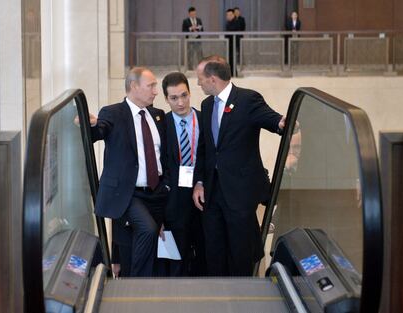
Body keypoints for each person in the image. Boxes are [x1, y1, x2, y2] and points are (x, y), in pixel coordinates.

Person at [192, 55, 285, 276]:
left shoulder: (247, 99)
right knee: (214, 250)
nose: (198, 84)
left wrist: (283, 122)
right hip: (212, 193)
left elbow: (273, 120)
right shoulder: (206, 105)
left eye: (200, 79)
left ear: (213, 79)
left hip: (239, 193)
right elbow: (204, 149)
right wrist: (199, 182)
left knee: (240, 252)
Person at [90, 67, 170, 277]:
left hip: (157, 192)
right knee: (147, 229)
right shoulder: (113, 112)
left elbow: (165, 155)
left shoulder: (158, 115)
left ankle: (139, 286)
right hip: (129, 194)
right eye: (151, 86)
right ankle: (136, 284)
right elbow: (99, 130)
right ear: (134, 87)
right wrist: (90, 125)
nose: (156, 91)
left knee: (153, 244)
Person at [160, 72, 206, 276]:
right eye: (174, 98)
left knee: (204, 252)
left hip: (203, 193)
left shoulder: (205, 119)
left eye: (184, 95)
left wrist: (202, 181)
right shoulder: (161, 124)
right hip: (174, 200)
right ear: (166, 99)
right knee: (176, 255)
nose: (180, 102)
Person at [225, 9, 240, 76]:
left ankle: (234, 73)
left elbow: (232, 31)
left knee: (233, 59)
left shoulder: (236, 22)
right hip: (229, 44)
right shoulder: (228, 23)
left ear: (233, 15)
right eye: (227, 15)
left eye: (230, 15)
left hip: (233, 44)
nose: (228, 16)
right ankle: (232, 73)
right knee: (230, 59)